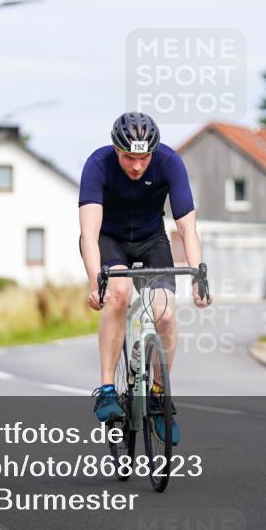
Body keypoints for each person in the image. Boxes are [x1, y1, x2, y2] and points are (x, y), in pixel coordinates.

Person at [79, 112, 211, 445]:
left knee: (164, 314)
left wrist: (198, 275)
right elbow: (89, 234)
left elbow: (188, 229)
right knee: (119, 294)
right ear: (115, 149)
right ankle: (107, 390)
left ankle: (158, 396)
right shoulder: (97, 164)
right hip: (109, 240)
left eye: (144, 158)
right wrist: (96, 284)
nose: (137, 166)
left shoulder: (169, 162)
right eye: (128, 157)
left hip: (151, 240)